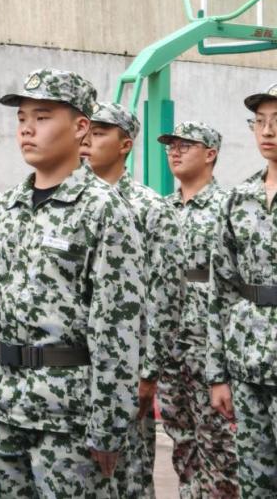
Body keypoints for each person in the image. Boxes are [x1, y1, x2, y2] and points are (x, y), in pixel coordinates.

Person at [0, 68, 142, 497]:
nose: (27, 128)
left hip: (70, 417)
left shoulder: (103, 211)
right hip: (6, 404)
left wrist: (109, 424)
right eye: (22, 118)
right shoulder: (3, 209)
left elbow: (117, 328)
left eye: (42, 117)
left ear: (81, 127)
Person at [80, 101, 184, 498]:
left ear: (125, 144)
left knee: (127, 476)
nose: (87, 141)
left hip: (125, 370)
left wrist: (148, 371)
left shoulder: (150, 209)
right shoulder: (66, 202)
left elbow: (164, 295)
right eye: (85, 132)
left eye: (99, 134)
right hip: (69, 374)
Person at [156, 121, 237, 498]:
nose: (175, 152)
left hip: (211, 348)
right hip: (171, 348)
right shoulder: (162, 210)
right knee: (182, 441)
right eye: (171, 146)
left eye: (185, 146)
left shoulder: (228, 207)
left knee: (219, 446)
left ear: (210, 154)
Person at [209, 84, 277, 498]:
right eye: (260, 122)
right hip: (248, 365)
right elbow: (222, 289)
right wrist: (218, 374)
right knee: (254, 482)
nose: (267, 131)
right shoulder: (239, 199)